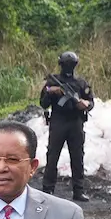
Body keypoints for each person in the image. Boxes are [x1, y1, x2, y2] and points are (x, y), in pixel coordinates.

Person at [39, 51, 96, 202]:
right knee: (53, 156)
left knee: (77, 157)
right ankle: (48, 189)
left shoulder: (81, 83)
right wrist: (52, 92)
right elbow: (43, 104)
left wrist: (85, 104)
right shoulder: (53, 82)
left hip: (75, 122)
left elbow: (91, 103)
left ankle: (78, 191)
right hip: (58, 121)